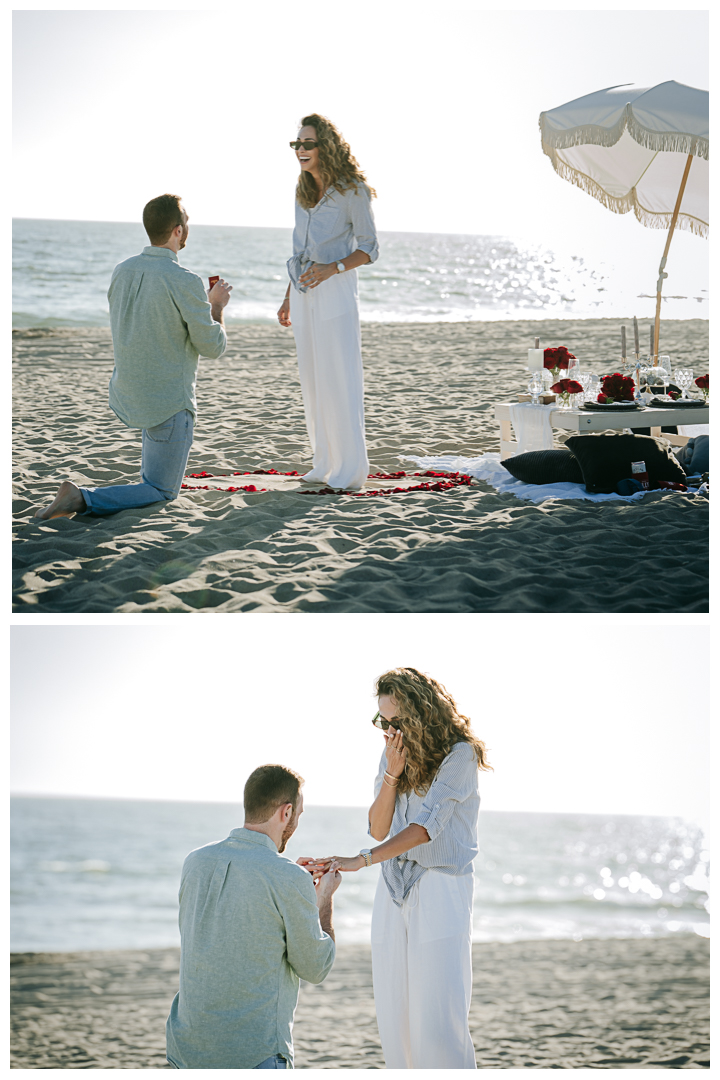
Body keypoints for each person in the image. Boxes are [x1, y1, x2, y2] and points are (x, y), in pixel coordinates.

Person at [306, 668, 492, 1069]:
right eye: (382, 721)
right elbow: (377, 828)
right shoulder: (392, 752)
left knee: (438, 1017)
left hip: (441, 886)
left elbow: (425, 829)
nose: (387, 730)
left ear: (422, 713)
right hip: (392, 888)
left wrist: (361, 861)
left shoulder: (460, 755)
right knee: (396, 1015)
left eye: (395, 721)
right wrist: (392, 772)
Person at [34, 194, 232, 519]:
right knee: (162, 490)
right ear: (178, 231)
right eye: (187, 223)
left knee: (152, 475)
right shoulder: (185, 280)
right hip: (167, 401)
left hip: (129, 392)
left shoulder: (121, 270)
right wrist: (216, 306)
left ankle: (106, 494)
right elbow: (213, 347)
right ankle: (80, 498)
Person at [166, 764, 341, 1069]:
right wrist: (322, 901)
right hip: (254, 1055)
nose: (296, 821)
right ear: (286, 813)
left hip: (188, 1051)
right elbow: (316, 968)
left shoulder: (195, 862)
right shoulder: (287, 877)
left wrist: (293, 884)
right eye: (298, 814)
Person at [277, 113, 379, 492]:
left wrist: (332, 268)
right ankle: (324, 462)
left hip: (335, 289)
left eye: (307, 144)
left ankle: (350, 469)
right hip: (304, 294)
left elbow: (370, 248)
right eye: (296, 144)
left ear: (326, 146)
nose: (300, 150)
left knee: (339, 377)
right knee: (314, 380)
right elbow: (298, 249)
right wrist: (288, 296)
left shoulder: (353, 190)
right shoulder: (302, 190)